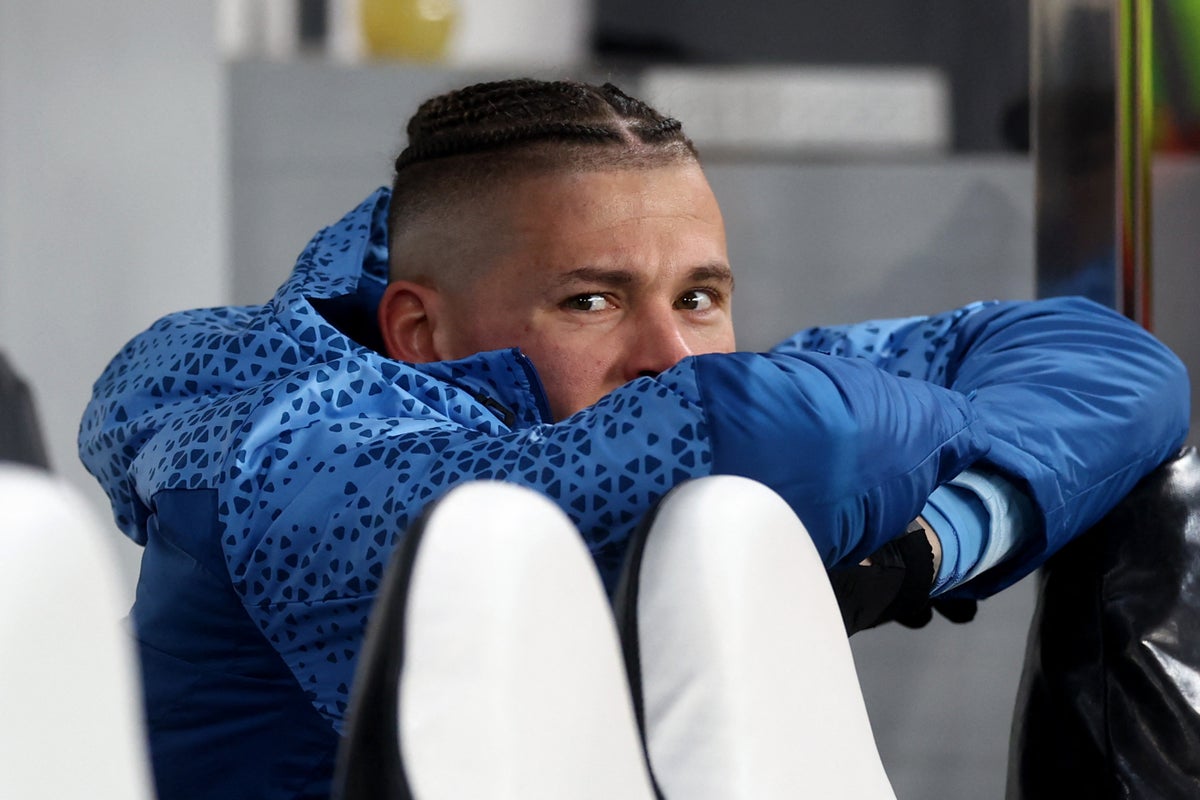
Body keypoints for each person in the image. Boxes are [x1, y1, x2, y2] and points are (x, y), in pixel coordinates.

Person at [79, 79, 1189, 800]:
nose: (670, 353)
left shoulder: (650, 408)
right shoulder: (293, 464)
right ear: (420, 331)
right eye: (592, 301)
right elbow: (788, 431)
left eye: (700, 295)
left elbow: (1116, 364)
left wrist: (926, 542)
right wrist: (918, 471)